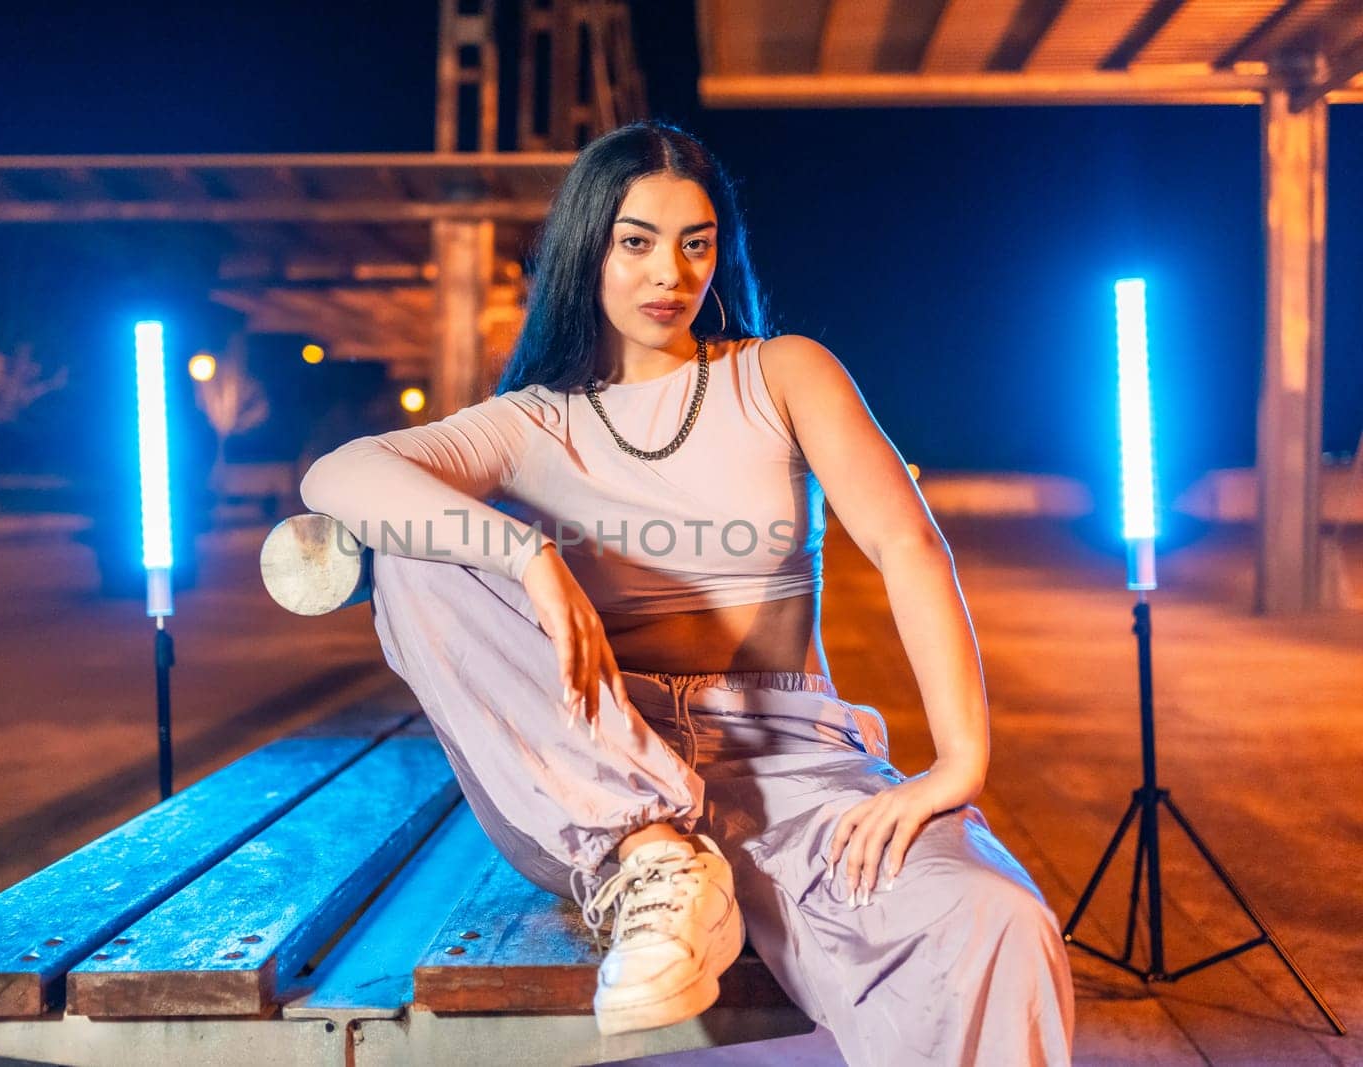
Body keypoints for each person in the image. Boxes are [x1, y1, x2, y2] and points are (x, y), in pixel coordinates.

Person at [299, 120, 1075, 1065]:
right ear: (589, 246)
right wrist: (526, 555)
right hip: (591, 782)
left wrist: (959, 764)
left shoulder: (783, 374)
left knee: (998, 919)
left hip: (793, 766)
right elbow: (341, 474)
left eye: (694, 242)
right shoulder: (530, 422)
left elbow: (906, 542)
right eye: (636, 241)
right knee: (415, 548)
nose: (669, 272)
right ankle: (655, 854)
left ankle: (690, 870)